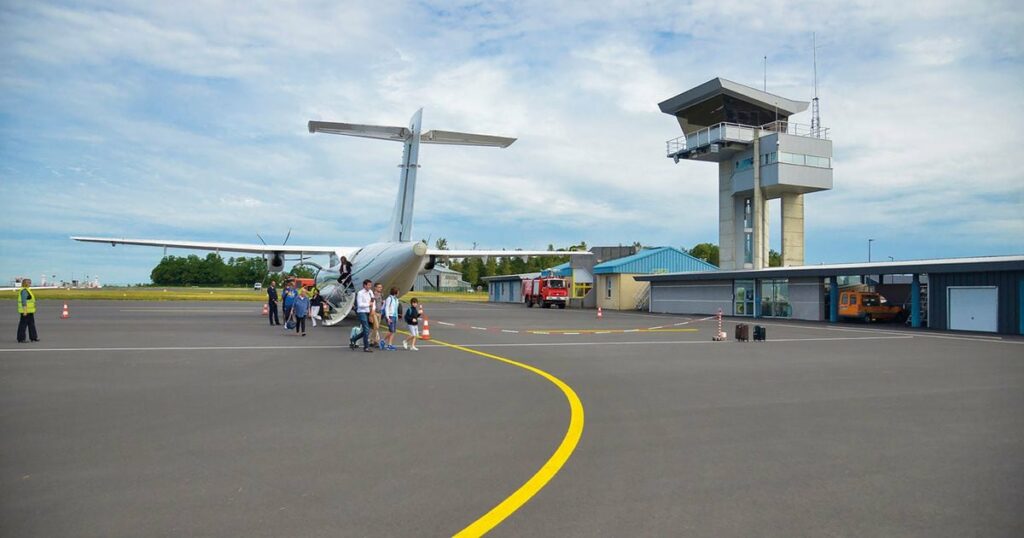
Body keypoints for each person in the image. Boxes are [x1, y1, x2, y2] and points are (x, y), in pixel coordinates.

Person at [349, 279, 374, 353]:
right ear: (364, 285)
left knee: (367, 330)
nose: (370, 286)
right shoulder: (360, 293)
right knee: (366, 329)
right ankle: (366, 347)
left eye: (370, 285)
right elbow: (360, 305)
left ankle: (354, 339)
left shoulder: (370, 292)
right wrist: (368, 304)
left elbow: (373, 300)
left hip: (368, 312)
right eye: (368, 285)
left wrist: (372, 309)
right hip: (362, 312)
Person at [16, 278, 39, 343]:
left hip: (30, 311)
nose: (30, 284)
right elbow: (24, 302)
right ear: (25, 283)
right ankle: (21, 339)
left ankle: (33, 337)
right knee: (23, 325)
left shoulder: (28, 290)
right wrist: (25, 311)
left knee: (31, 325)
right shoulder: (24, 291)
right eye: (29, 282)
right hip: (26, 311)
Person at [371, 282, 384, 348]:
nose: (380, 288)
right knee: (377, 326)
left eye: (381, 287)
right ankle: (374, 340)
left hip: (379, 312)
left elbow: (381, 303)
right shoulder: (373, 295)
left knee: (375, 328)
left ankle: (373, 341)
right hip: (374, 312)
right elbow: (371, 303)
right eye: (379, 287)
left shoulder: (381, 294)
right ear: (375, 288)